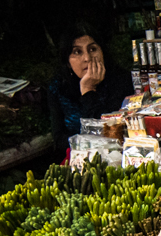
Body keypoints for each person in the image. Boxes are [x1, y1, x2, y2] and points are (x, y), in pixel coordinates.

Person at [47, 21, 133, 152]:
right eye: (77, 52)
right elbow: (59, 139)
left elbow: (111, 133)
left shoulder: (121, 80)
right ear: (68, 62)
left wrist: (88, 91)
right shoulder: (58, 87)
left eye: (92, 49)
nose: (87, 58)